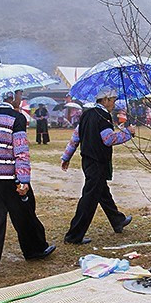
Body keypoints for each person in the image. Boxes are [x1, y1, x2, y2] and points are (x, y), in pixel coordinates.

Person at [0, 90, 55, 278]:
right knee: (25, 212)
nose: (20, 98)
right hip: (9, 176)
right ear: (11, 96)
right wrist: (23, 180)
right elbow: (21, 151)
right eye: (19, 95)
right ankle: (35, 249)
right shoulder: (16, 118)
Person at [61, 87, 135, 245]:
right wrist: (128, 133)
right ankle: (74, 236)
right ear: (106, 100)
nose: (114, 103)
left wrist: (66, 156)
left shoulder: (86, 114)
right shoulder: (103, 116)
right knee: (89, 199)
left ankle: (117, 220)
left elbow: (76, 137)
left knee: (102, 192)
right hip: (98, 162)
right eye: (113, 100)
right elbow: (108, 139)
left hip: (87, 161)